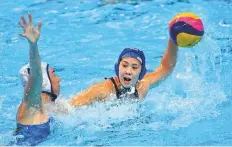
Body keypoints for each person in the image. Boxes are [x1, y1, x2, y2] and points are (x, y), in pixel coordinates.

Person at [70, 39, 178, 106]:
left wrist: (173, 40)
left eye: (134, 67)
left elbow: (166, 68)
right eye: (124, 65)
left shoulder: (143, 85)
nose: (128, 71)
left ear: (141, 73)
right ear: (118, 67)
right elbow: (71, 105)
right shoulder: (104, 89)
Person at [14, 13, 61, 146]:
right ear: (44, 80)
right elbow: (35, 74)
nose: (59, 79)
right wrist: (33, 45)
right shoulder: (32, 104)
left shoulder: (47, 107)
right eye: (54, 74)